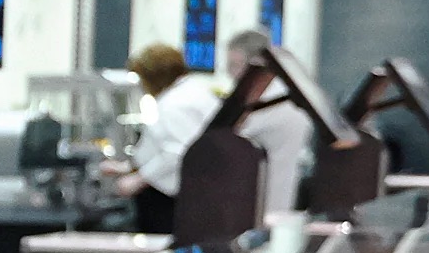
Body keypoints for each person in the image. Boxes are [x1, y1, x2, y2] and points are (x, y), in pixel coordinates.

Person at [115, 42, 213, 233]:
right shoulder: (195, 92)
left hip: (170, 200)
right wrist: (130, 167)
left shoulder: (173, 105)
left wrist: (138, 179)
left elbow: (177, 152)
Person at [222, 29, 315, 218]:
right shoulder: (285, 92)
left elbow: (227, 138)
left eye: (234, 65)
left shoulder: (267, 99)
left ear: (256, 64)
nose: (230, 73)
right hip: (278, 196)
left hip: (261, 201)